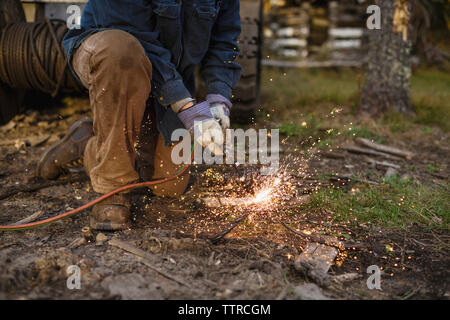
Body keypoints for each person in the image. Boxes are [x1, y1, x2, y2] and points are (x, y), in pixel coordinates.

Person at [36, 0, 241, 231]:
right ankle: (113, 187)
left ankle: (86, 142)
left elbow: (224, 43)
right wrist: (187, 108)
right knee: (121, 51)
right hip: (115, 58)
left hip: (173, 79)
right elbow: (138, 40)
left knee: (169, 187)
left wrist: (218, 98)